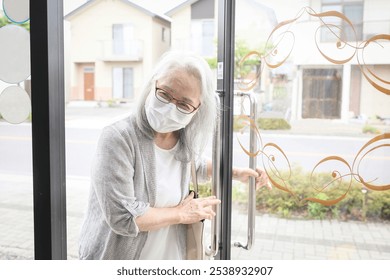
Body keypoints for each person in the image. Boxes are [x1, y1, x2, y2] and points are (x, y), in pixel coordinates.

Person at [79, 51, 270, 260]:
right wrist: (182, 213)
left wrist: (236, 173)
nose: (170, 108)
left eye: (183, 104)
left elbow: (193, 165)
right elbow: (123, 217)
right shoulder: (117, 137)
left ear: (197, 109)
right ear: (153, 84)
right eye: (165, 94)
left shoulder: (182, 140)